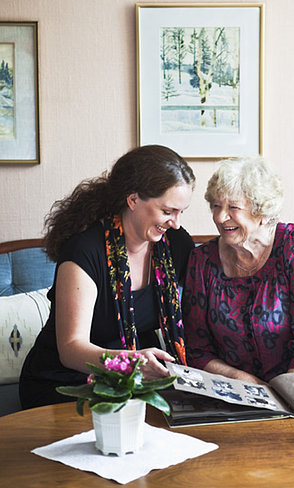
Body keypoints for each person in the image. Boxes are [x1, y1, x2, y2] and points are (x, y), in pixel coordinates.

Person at [19, 145, 195, 409]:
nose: (176, 223)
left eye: (182, 212)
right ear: (133, 200)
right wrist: (130, 363)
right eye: (168, 211)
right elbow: (70, 348)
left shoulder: (175, 244)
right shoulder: (85, 250)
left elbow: (206, 304)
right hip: (68, 383)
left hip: (138, 382)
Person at [182, 156, 294, 385]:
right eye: (216, 206)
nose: (220, 217)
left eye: (233, 207)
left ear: (261, 211)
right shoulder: (201, 261)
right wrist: (251, 384)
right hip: (240, 391)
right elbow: (197, 350)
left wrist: (287, 393)